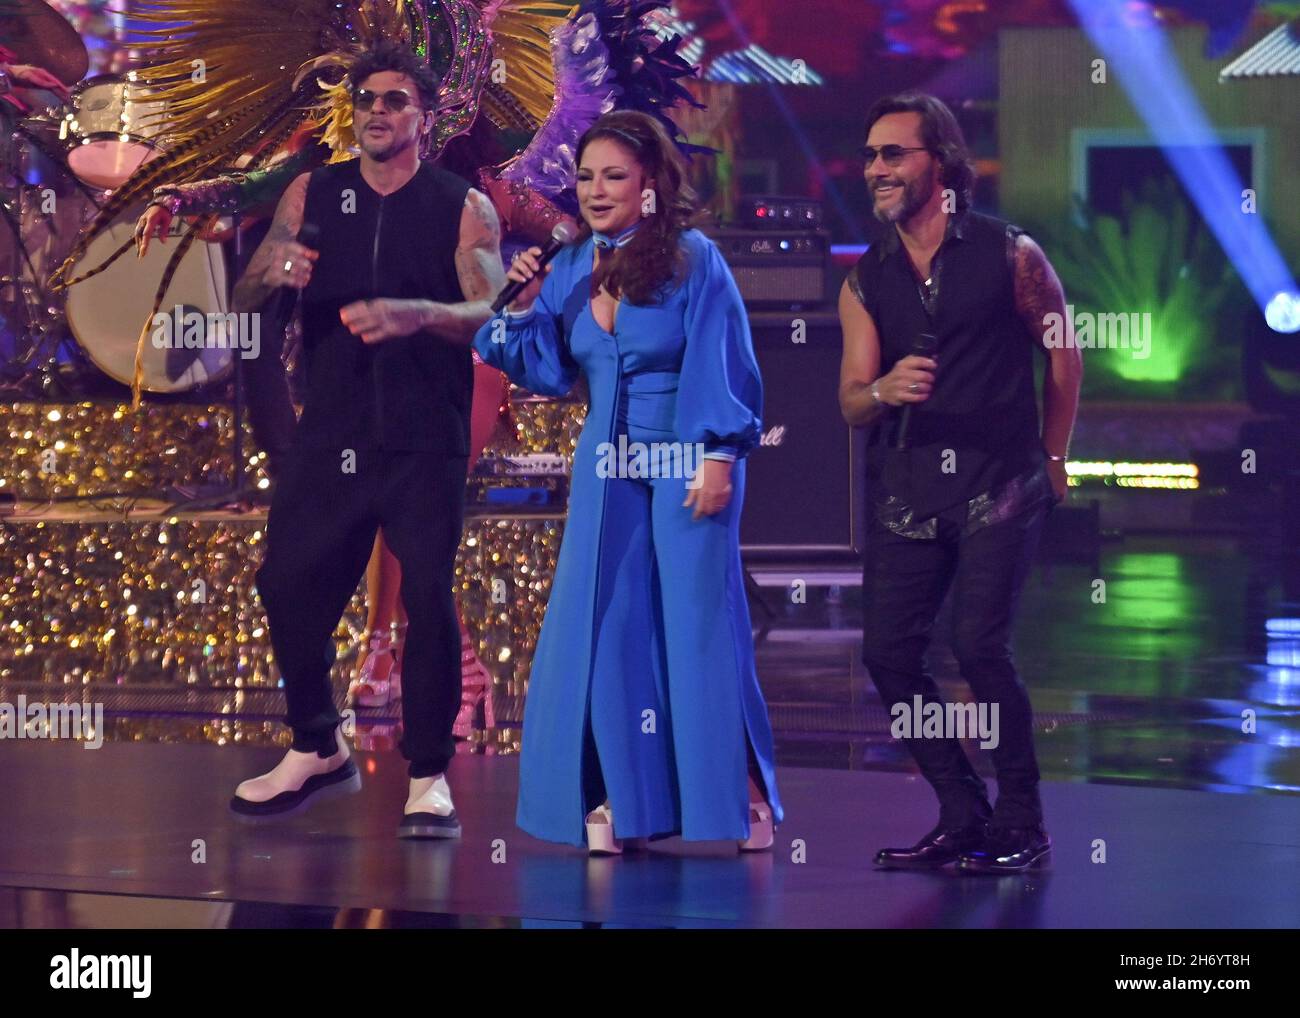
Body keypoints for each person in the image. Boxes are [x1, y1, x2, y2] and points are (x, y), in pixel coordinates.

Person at [468, 110, 782, 855]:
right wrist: (517, 305)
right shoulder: (570, 266)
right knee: (607, 629)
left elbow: (721, 356)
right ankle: (624, 794)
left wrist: (718, 457)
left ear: (650, 185)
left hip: (682, 458)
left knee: (697, 629)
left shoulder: (692, 259)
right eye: (585, 177)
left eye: (615, 176)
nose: (596, 191)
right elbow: (546, 369)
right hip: (604, 470)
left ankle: (737, 799)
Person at [227, 43, 505, 838]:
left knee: (425, 599)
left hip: (425, 438)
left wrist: (422, 314)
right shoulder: (315, 190)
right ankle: (318, 744)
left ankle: (427, 774)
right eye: (365, 101)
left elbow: (494, 313)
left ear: (424, 116)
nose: (376, 112)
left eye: (393, 100)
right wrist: (268, 271)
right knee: (284, 585)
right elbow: (248, 305)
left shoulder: (462, 206)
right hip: (335, 432)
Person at [837, 93, 1082, 874]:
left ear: (937, 163)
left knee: (979, 646)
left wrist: (1053, 454)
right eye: (871, 155)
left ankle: (1022, 820)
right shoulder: (866, 278)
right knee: (888, 655)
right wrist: (883, 391)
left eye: (893, 154)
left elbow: (1065, 354)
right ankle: (962, 810)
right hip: (910, 490)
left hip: (1000, 483)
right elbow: (849, 401)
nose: (876, 169)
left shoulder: (1011, 252)